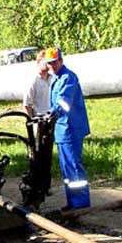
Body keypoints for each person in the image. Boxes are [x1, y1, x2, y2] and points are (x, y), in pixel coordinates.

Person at [44, 47, 90, 210]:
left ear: (61, 61)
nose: (52, 66)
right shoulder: (56, 78)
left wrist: (53, 112)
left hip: (71, 128)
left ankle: (81, 204)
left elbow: (64, 101)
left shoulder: (68, 77)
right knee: (67, 169)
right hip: (62, 130)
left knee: (74, 167)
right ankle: (72, 202)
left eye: (54, 62)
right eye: (49, 63)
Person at [23, 50, 52, 118]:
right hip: (40, 120)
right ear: (38, 62)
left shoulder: (53, 78)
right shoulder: (33, 81)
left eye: (48, 62)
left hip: (53, 118)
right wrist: (31, 123)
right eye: (45, 61)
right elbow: (27, 105)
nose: (47, 64)